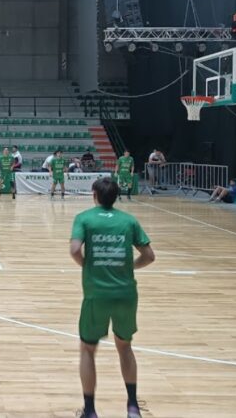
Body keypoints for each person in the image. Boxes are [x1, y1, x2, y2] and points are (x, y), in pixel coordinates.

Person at [70, 178, 155, 418]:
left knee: (88, 349)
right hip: (126, 294)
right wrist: (130, 267)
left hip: (97, 294)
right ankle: (132, 407)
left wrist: (88, 265)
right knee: (125, 347)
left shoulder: (84, 218)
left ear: (94, 194)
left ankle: (90, 410)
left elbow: (75, 250)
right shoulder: (129, 220)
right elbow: (149, 256)